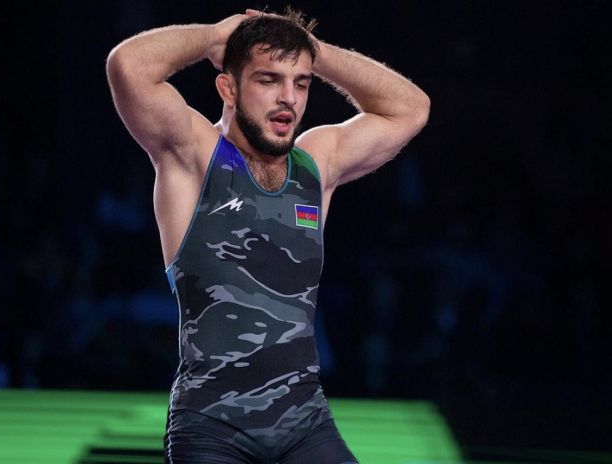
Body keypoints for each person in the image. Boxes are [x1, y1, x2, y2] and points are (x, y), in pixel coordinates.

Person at [106, 7, 429, 464]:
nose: (288, 98)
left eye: (301, 83)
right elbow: (127, 66)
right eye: (268, 79)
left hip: (304, 425)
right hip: (212, 427)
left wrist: (315, 52)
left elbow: (412, 108)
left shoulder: (315, 163)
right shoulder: (194, 153)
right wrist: (214, 36)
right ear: (229, 88)